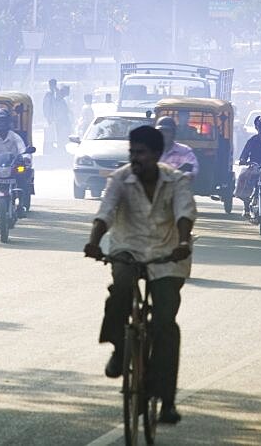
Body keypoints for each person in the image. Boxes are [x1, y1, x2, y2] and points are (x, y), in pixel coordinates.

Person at [83, 125, 196, 425]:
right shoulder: (120, 179)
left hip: (168, 254)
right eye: (132, 153)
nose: (135, 159)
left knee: (164, 324)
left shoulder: (177, 181)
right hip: (127, 249)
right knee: (120, 289)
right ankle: (120, 348)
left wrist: (184, 243)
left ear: (157, 155)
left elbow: (185, 214)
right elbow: (105, 211)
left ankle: (167, 400)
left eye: (141, 154)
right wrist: (94, 242)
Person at [0, 109, 31, 216]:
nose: (2, 124)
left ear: (9, 123)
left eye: (4, 121)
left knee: (23, 176)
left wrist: (26, 156)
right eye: (0, 121)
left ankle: (21, 205)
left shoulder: (15, 137)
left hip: (13, 166)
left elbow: (22, 148)